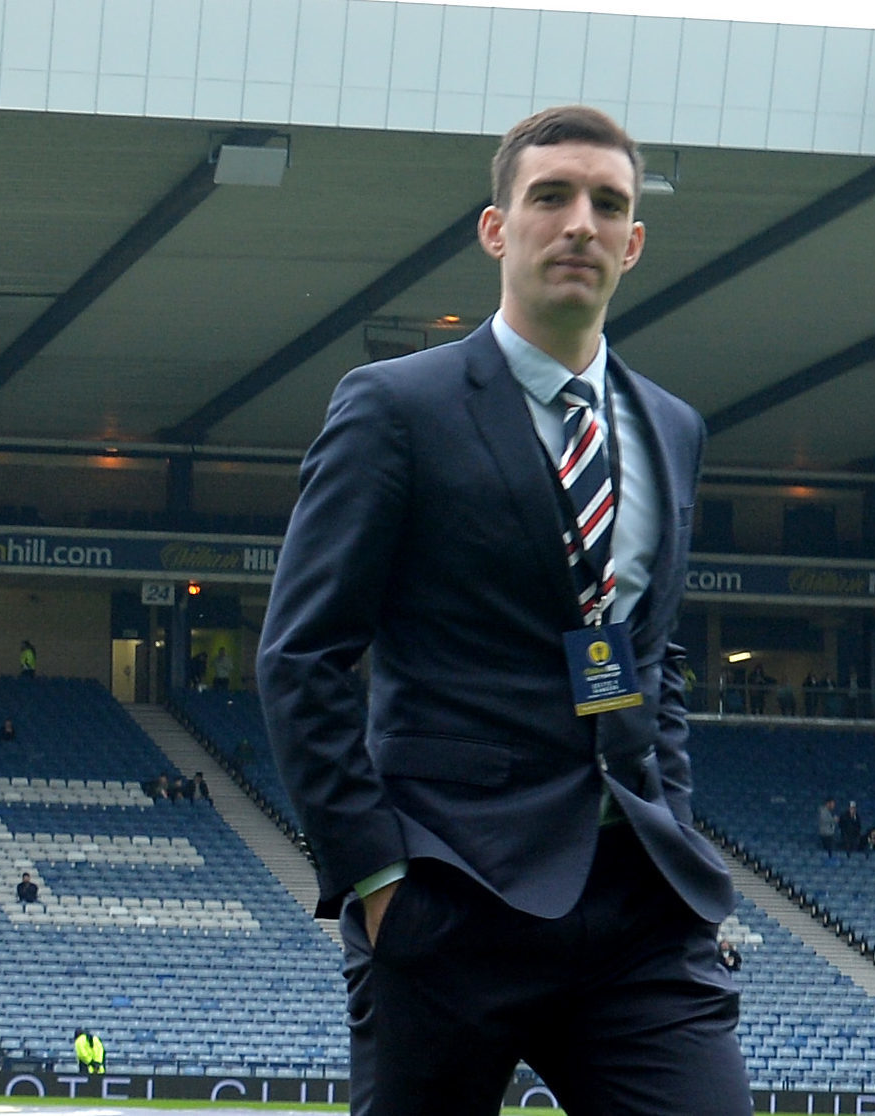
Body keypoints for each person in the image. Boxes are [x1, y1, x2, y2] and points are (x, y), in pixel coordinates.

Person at [256, 105, 750, 1115]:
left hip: (638, 911)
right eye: (551, 197)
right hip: (450, 898)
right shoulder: (395, 408)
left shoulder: (673, 428)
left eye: (607, 204)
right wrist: (378, 884)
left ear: (634, 242)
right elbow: (302, 656)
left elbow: (653, 661)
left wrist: (676, 824)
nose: (580, 222)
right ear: (497, 228)